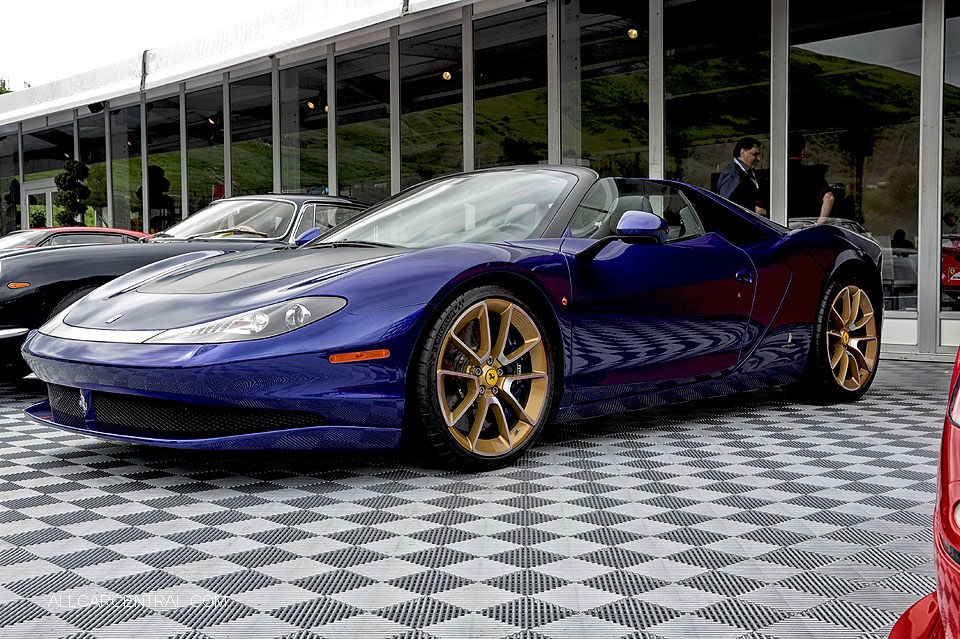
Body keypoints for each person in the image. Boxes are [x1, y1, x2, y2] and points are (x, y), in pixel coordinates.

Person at [787, 133, 835, 225]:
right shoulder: (812, 173)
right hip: (805, 227)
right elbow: (829, 198)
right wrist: (819, 224)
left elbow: (760, 210)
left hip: (778, 228)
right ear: (802, 152)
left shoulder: (774, 176)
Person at [717, 137, 767, 217]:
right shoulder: (733, 173)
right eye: (755, 154)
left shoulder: (746, 172)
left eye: (759, 155)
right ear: (742, 152)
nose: (758, 159)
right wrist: (754, 210)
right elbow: (726, 205)